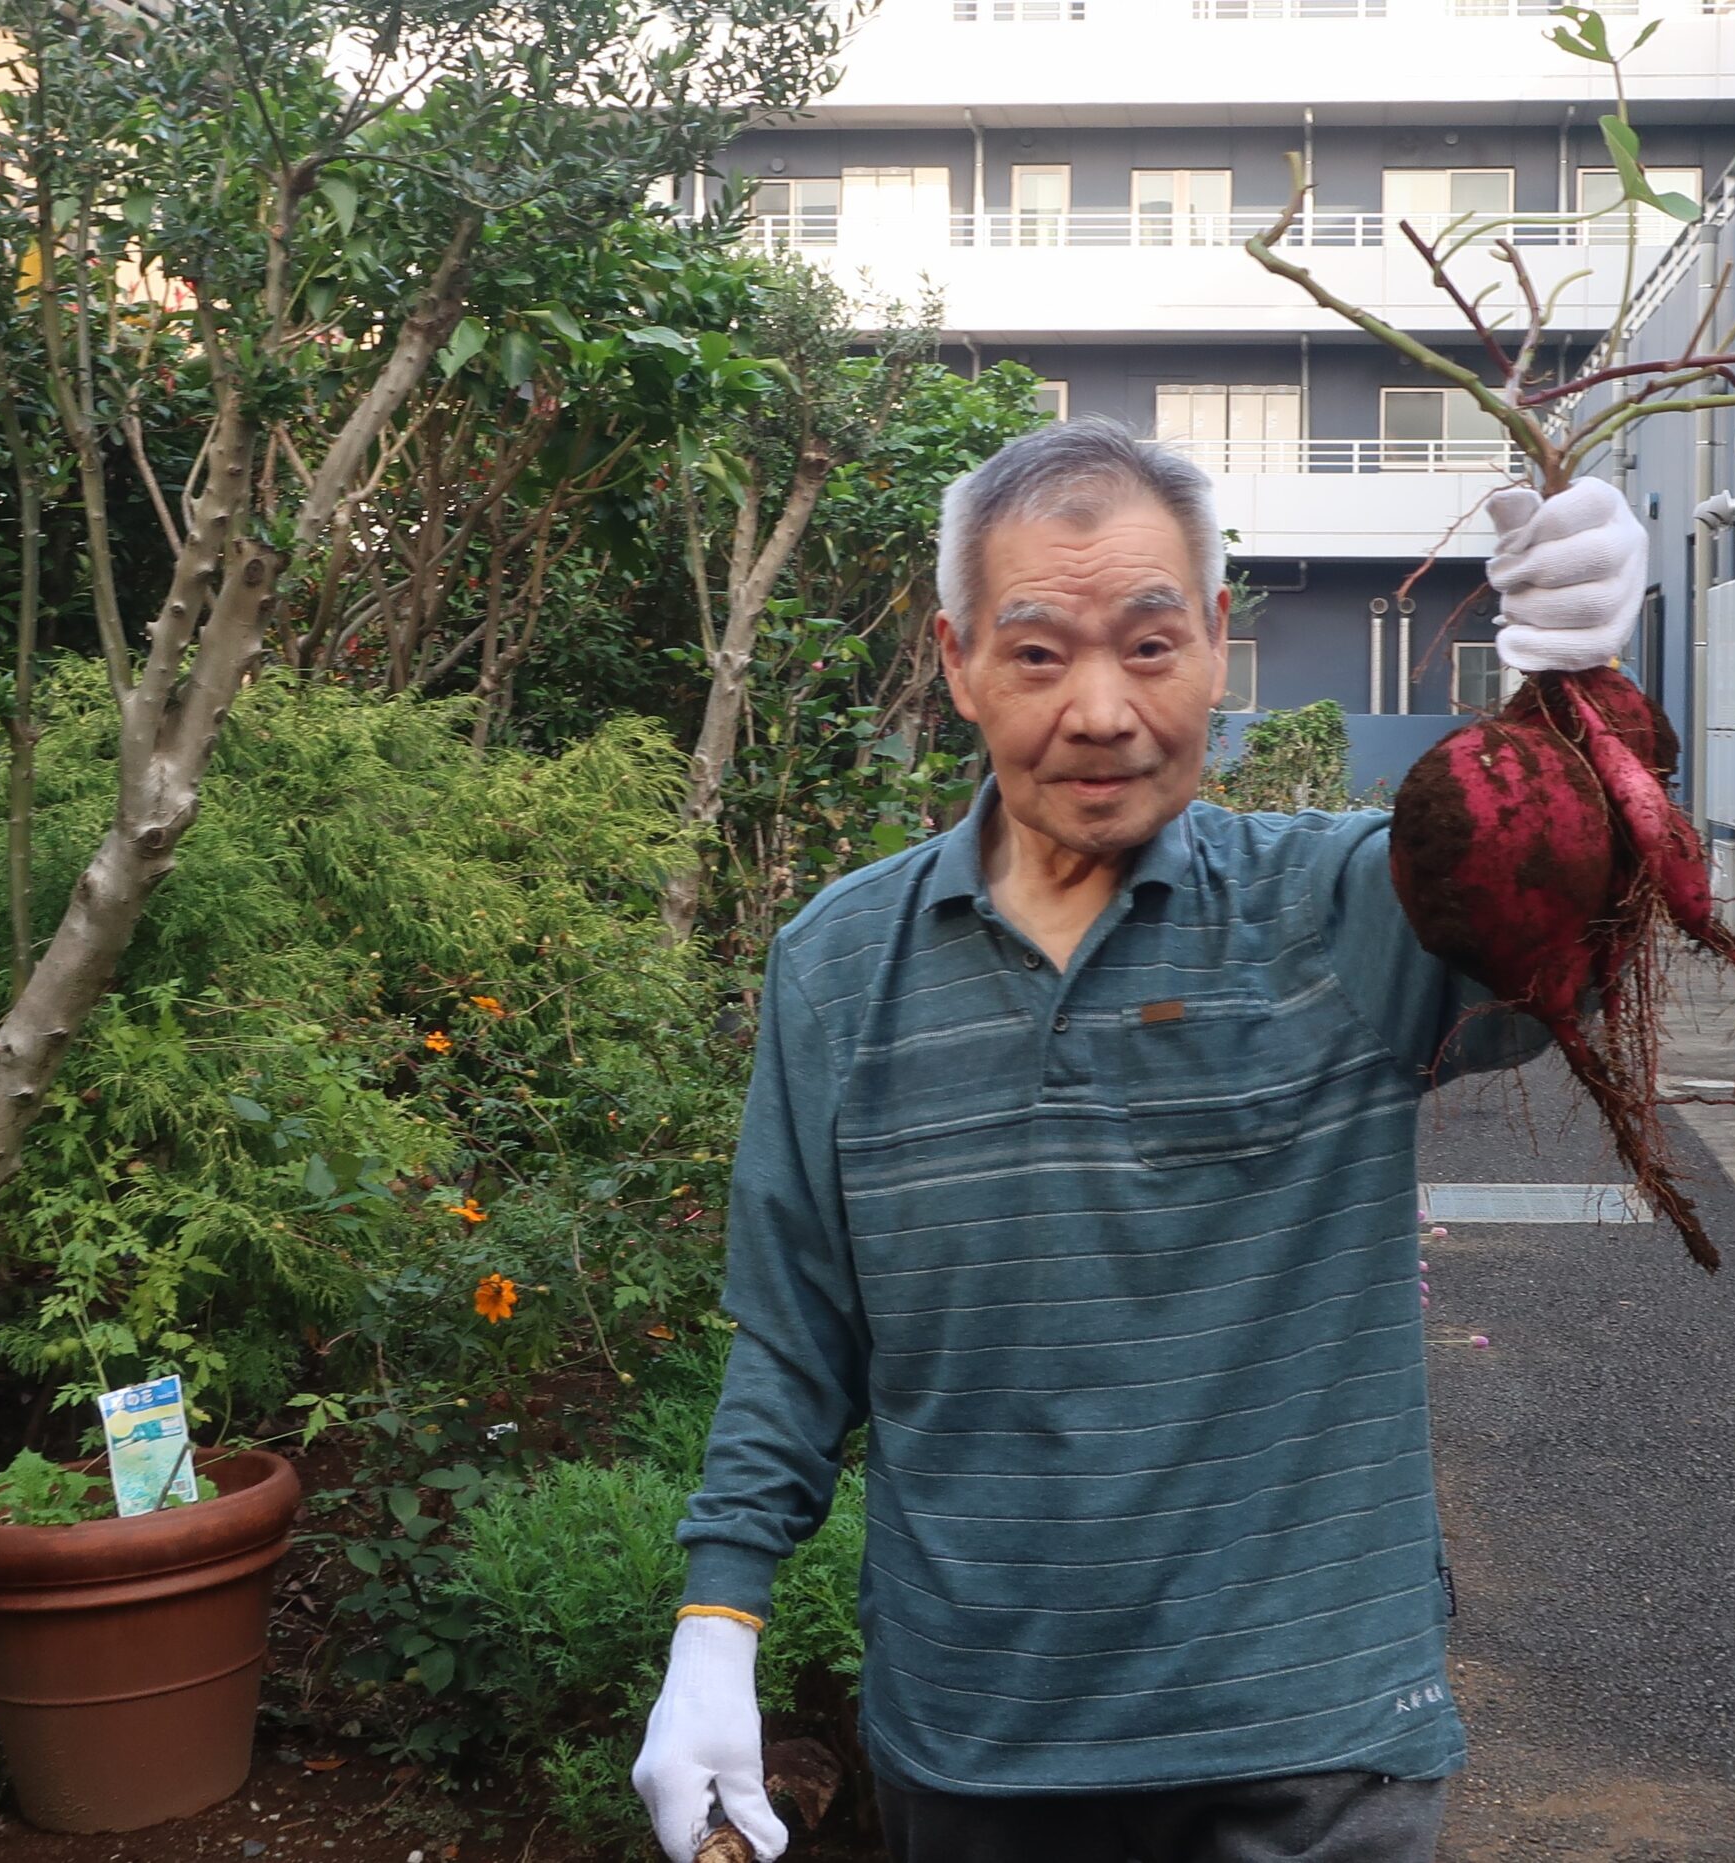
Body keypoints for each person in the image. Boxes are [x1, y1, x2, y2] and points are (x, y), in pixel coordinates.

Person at [631, 419, 1648, 1863]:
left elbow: (1562, 928)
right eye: (1040, 653)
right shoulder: (841, 965)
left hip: (1314, 1751)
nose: (1101, 709)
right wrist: (716, 1626)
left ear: (1221, 644)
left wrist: (1585, 702)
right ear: (957, 659)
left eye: (1152, 645)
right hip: (981, 1740)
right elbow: (797, 1336)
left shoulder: (1343, 911)